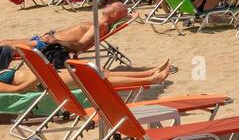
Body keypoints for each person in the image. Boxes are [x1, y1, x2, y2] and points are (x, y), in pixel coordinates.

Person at [0, 44, 171, 94]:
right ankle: (151, 80)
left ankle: (148, 72)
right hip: (44, 82)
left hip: (47, 74)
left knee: (100, 71)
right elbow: (18, 90)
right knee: (94, 79)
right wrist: (39, 75)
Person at [3, 2, 132, 55]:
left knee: (4, 46)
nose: (107, 4)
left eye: (111, 5)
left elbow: (80, 46)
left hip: (46, 45)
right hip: (42, 40)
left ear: (114, 14)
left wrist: (55, 41)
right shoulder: (97, 23)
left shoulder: (99, 27)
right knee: (4, 42)